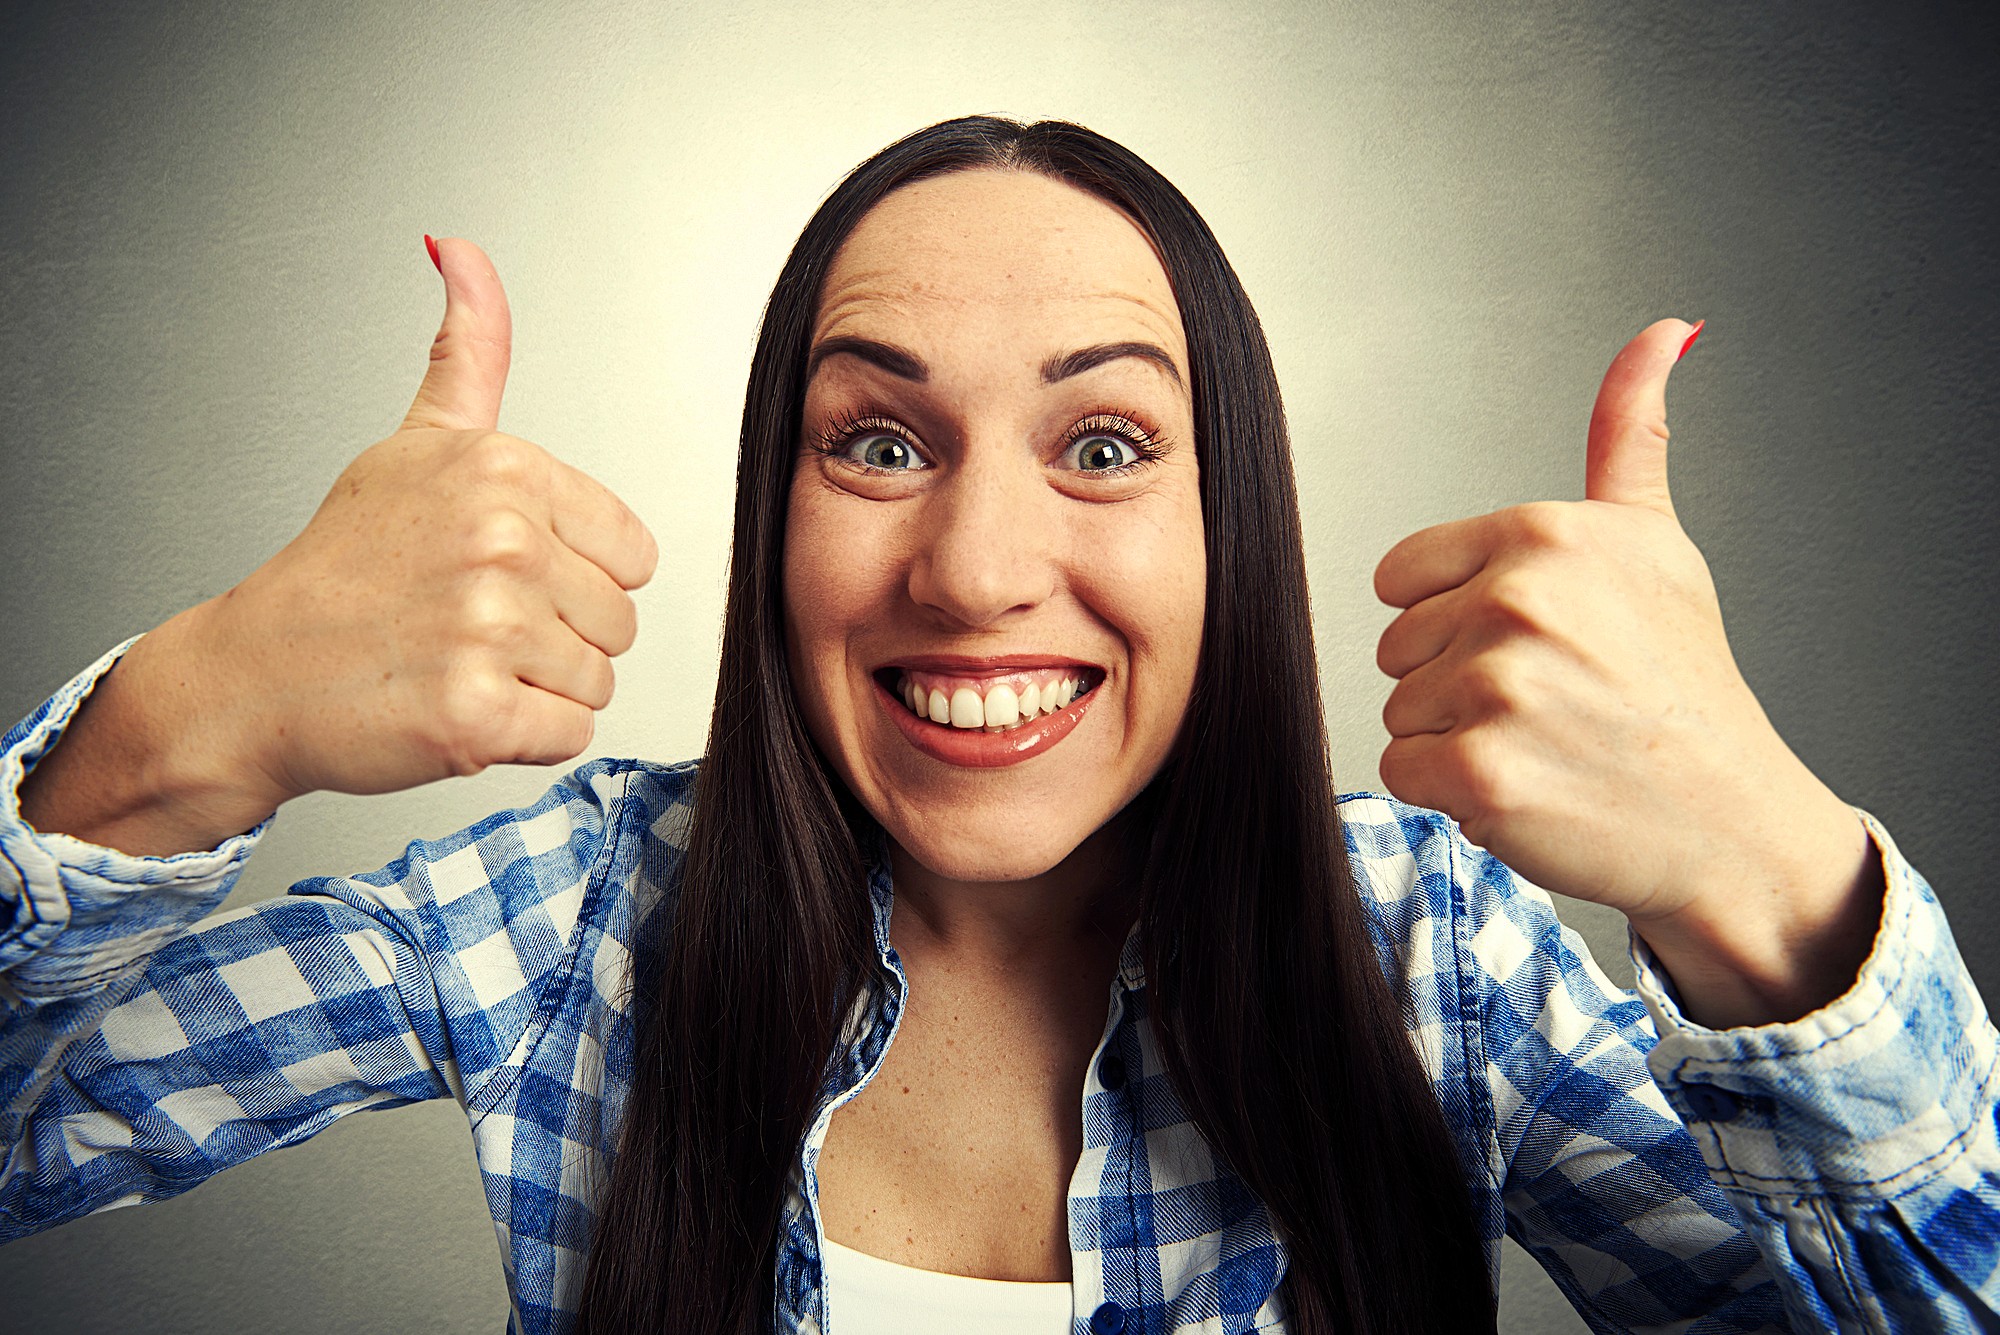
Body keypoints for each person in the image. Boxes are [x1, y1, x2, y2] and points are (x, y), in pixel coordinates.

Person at [0, 115, 1991, 1334]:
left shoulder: (1438, 957)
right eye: (875, 438)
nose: (972, 566)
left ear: (1234, 523)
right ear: (773, 508)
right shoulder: (569, 919)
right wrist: (195, 718)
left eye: (1105, 441)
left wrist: (1765, 870)